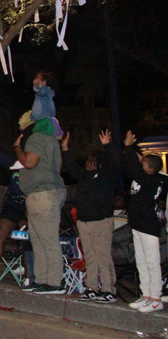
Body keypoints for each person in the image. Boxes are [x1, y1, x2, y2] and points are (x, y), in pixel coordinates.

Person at [61, 130, 120, 304]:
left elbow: (116, 163)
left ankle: (109, 289)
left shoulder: (107, 176)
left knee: (103, 256)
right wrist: (65, 149)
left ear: (99, 163)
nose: (87, 163)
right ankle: (92, 287)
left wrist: (107, 145)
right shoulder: (84, 176)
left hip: (101, 221)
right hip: (84, 222)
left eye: (90, 161)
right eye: (87, 160)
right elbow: (70, 167)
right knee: (89, 255)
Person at [13, 117, 66, 295]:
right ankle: (42, 280)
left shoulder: (37, 138)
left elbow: (29, 162)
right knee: (38, 239)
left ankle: (54, 282)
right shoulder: (50, 140)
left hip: (43, 194)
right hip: (42, 193)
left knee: (48, 239)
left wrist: (17, 149)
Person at [0, 118, 31, 284]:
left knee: (26, 240)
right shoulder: (14, 162)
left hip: (29, 205)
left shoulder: (36, 165)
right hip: (12, 203)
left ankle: (29, 275)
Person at [122, 131, 167, 313]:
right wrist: (133, 149)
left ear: (150, 168)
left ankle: (156, 297)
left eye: (143, 164)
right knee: (140, 261)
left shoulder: (151, 180)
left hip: (148, 226)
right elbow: (135, 162)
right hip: (138, 224)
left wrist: (128, 147)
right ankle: (146, 294)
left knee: (151, 261)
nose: (140, 165)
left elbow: (133, 165)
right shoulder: (148, 176)